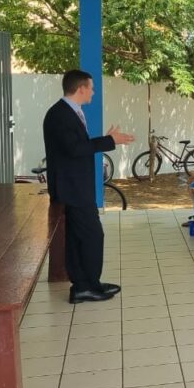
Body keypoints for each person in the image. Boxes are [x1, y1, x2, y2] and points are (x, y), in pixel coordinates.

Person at [43, 69, 133, 304]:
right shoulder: (60, 115)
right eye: (91, 88)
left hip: (76, 186)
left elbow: (77, 146)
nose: (93, 92)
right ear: (81, 88)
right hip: (72, 188)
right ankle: (87, 284)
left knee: (79, 237)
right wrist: (109, 141)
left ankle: (85, 284)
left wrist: (106, 140)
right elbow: (74, 150)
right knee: (92, 235)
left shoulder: (71, 112)